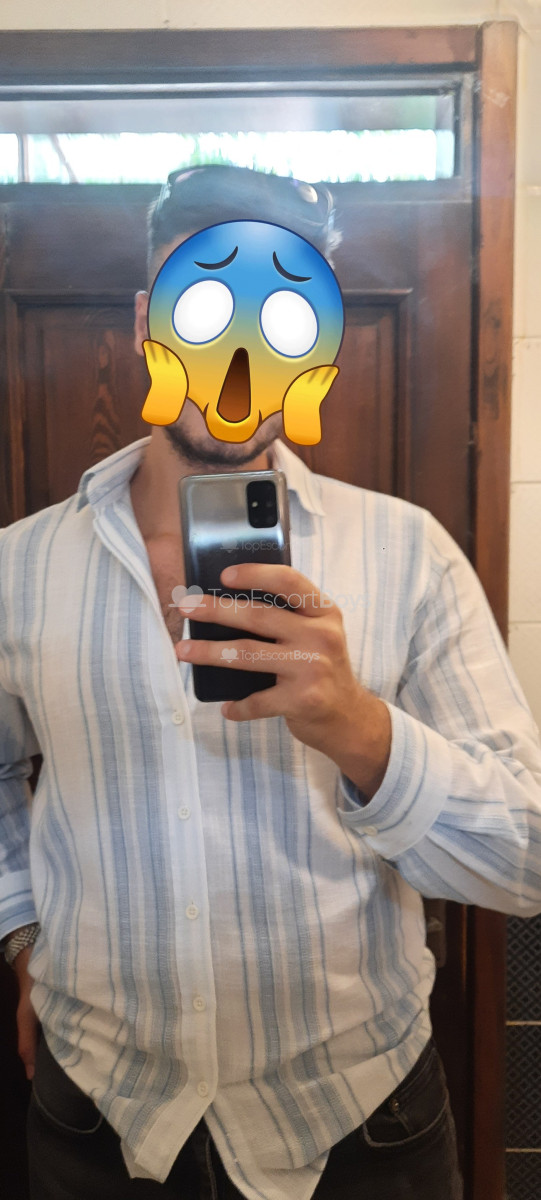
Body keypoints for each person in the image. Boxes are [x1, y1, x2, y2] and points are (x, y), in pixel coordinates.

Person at [1, 164, 541, 1200]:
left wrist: (362, 733)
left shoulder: (408, 554)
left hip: (361, 1123)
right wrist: (23, 937)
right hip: (99, 1115)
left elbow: (526, 859)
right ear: (144, 325)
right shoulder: (17, 572)